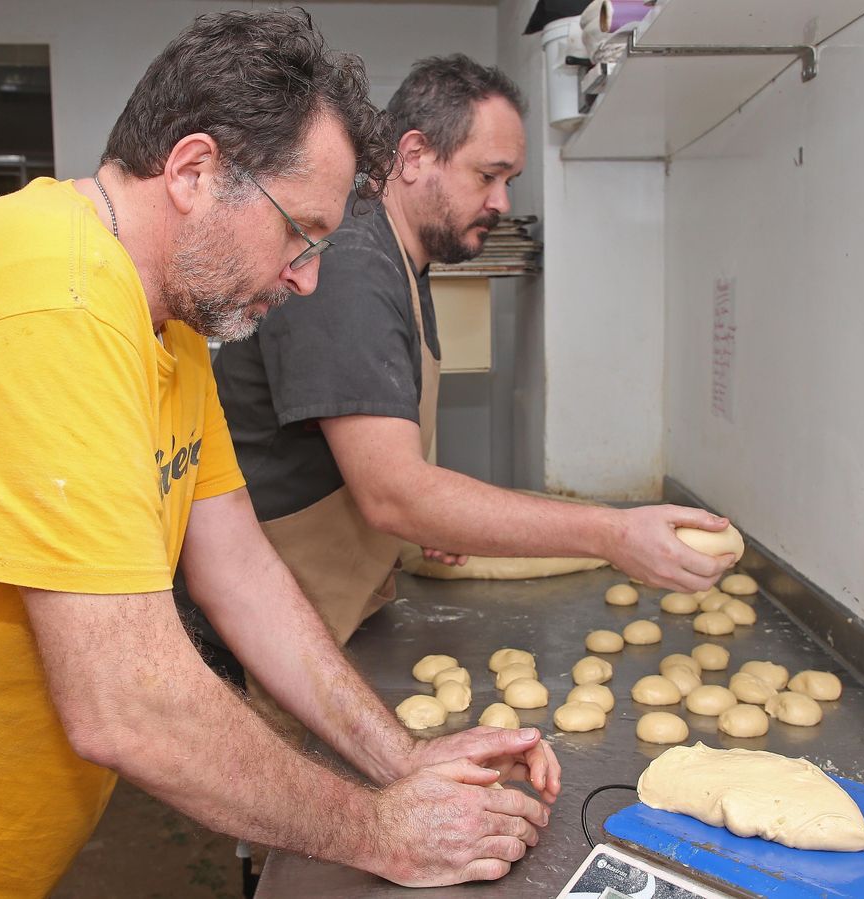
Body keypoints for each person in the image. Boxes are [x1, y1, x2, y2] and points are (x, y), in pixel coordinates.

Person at [0, 13, 557, 897]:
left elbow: (238, 569)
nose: (310, 275)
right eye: (300, 234)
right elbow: (130, 702)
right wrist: (379, 829)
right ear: (196, 171)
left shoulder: (167, 322)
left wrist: (403, 758)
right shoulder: (49, 303)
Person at [207, 55, 737, 671]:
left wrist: (437, 515)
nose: (503, 201)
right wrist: (612, 535)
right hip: (251, 637)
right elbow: (392, 494)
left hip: (311, 613)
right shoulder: (351, 267)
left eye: (510, 180)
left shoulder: (402, 259)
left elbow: (374, 462)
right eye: (488, 175)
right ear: (412, 157)